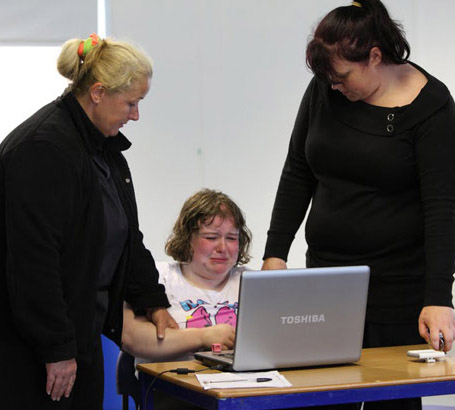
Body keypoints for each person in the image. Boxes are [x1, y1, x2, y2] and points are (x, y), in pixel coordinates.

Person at [262, 1, 455, 409]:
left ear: (375, 56)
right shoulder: (325, 88)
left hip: (398, 287)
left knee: (392, 401)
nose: (335, 86)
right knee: (323, 397)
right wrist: (275, 254)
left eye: (343, 76)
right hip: (328, 280)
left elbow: (442, 206)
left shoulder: (431, 105)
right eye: (328, 78)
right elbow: (298, 171)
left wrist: (440, 298)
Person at [0, 33, 178, 410]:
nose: (136, 114)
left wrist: (153, 300)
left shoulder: (103, 148)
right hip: (34, 348)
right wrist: (57, 348)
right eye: (131, 102)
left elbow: (126, 236)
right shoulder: (43, 149)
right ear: (97, 92)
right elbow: (33, 262)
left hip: (79, 334)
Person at [121, 188, 251, 409]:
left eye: (231, 238)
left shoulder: (250, 282)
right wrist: (205, 336)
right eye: (211, 237)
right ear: (187, 238)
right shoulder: (156, 277)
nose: (223, 248)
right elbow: (132, 338)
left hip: (245, 393)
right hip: (174, 395)